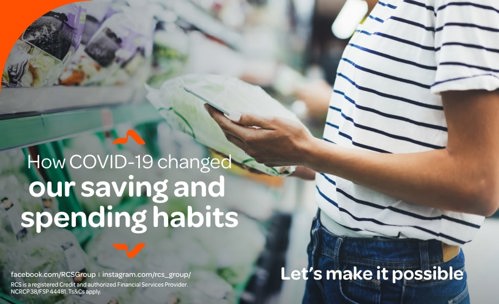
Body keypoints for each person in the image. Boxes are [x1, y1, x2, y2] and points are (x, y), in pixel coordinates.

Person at [206, 0, 499, 303]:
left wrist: (310, 152)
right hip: (335, 255)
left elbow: (476, 183)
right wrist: (290, 159)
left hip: (394, 277)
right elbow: (388, 148)